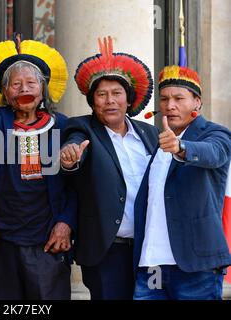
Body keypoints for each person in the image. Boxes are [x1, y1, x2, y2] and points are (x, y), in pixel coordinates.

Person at [0, 36, 77, 300]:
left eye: (31, 83)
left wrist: (65, 223)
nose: (24, 88)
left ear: (43, 88)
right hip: (1, 239)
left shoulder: (63, 126)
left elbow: (76, 187)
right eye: (16, 84)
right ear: (5, 92)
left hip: (47, 240)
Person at [60, 36, 159, 300]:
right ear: (92, 102)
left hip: (151, 248)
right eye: (101, 95)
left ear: (129, 100)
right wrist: (70, 158)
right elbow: (73, 145)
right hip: (107, 251)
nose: (109, 101)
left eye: (117, 94)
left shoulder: (151, 134)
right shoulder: (81, 128)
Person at [132, 65, 231, 300]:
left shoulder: (215, 133)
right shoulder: (158, 143)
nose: (170, 105)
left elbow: (213, 153)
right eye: (164, 99)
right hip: (151, 266)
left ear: (197, 102)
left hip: (196, 266)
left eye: (179, 98)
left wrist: (181, 147)